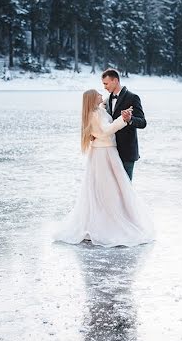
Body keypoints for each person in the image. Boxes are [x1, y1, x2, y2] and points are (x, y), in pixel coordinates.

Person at [53, 89, 155, 247]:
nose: (102, 95)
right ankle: (109, 224)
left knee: (108, 188)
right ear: (93, 98)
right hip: (104, 153)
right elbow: (106, 130)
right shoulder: (95, 114)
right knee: (108, 189)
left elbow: (103, 119)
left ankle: (107, 221)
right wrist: (123, 119)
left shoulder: (98, 110)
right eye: (98, 94)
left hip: (104, 151)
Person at [100, 68, 146, 180]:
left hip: (127, 152)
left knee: (126, 189)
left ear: (115, 81)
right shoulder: (106, 100)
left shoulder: (132, 97)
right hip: (111, 151)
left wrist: (130, 119)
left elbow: (142, 122)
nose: (104, 87)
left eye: (106, 84)